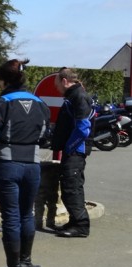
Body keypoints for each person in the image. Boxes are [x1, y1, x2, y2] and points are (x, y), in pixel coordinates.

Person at [0, 59, 51, 267]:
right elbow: (46, 136)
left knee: (11, 217)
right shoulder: (40, 104)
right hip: (32, 164)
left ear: (2, 81)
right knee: (26, 214)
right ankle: (26, 263)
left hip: (7, 165)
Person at [51, 67, 92, 238]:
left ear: (65, 81)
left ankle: (81, 226)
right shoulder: (73, 96)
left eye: (57, 84)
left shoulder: (79, 96)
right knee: (70, 186)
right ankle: (74, 221)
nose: (57, 88)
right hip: (73, 150)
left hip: (76, 151)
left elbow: (83, 129)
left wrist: (69, 147)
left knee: (72, 187)